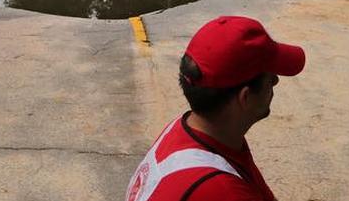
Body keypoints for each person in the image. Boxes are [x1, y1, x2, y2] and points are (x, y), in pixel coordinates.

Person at [125, 16, 306, 201]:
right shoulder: (222, 191)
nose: (276, 80)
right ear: (245, 97)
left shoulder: (186, 130)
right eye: (270, 77)